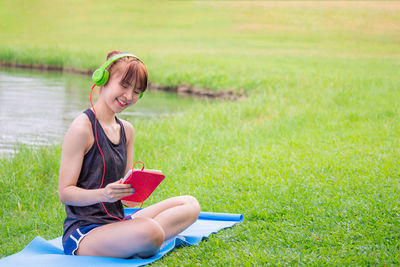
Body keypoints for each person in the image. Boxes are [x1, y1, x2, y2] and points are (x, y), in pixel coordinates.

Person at [58, 51, 200, 258]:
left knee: (189, 204)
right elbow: (65, 193)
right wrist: (103, 194)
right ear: (103, 79)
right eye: (124, 86)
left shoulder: (127, 130)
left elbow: (128, 202)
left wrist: (138, 188)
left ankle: (138, 241)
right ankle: (143, 240)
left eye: (136, 91)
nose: (128, 96)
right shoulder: (82, 129)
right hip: (85, 233)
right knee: (150, 231)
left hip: (118, 222)